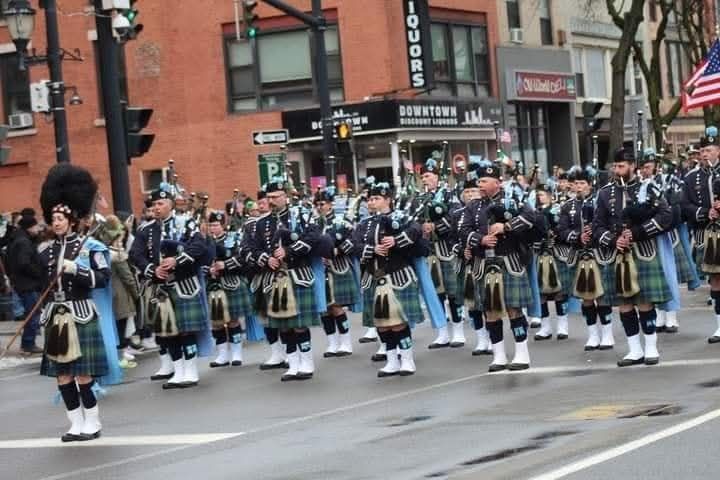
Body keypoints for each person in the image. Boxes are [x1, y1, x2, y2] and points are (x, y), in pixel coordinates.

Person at [37, 164, 110, 442]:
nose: (56, 222)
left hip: (80, 313)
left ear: (71, 219)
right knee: (62, 376)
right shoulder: (45, 250)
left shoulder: (90, 247)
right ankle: (74, 423)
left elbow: (102, 278)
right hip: (55, 316)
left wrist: (76, 270)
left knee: (82, 374)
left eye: (60, 217)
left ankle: (93, 422)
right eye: (53, 217)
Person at [594, 142, 673, 366]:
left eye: (621, 166)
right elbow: (597, 226)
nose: (617, 170)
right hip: (618, 254)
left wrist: (638, 232)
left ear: (632, 166)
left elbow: (666, 216)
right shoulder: (604, 193)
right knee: (624, 303)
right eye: (615, 166)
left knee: (645, 301)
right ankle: (634, 349)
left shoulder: (649, 188)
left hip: (643, 251)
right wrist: (613, 239)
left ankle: (650, 347)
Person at [460, 161, 543, 372]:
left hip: (509, 260)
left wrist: (506, 226)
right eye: (479, 180)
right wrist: (481, 240)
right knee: (490, 311)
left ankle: (522, 353)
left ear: (498, 182)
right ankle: (498, 355)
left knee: (514, 308)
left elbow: (531, 217)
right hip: (484, 264)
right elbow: (464, 231)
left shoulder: (513, 199)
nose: (480, 184)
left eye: (485, 181)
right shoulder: (472, 206)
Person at [129, 184, 211, 389]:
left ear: (171, 204)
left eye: (161, 203)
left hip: (185, 284)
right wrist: (151, 269)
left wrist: (177, 260)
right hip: (161, 289)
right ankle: (178, 369)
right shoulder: (146, 230)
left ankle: (190, 370)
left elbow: (200, 246)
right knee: (169, 332)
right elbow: (135, 255)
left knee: (185, 331)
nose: (157, 207)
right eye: (154, 204)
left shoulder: (186, 223)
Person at [245, 178, 322, 381]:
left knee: (299, 324)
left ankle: (306, 363)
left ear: (285, 196)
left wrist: (288, 251)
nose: (271, 201)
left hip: (297, 275)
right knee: (284, 325)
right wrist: (265, 258)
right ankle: (293, 363)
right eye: (268, 197)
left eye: (275, 197)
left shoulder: (302, 213)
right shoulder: (261, 223)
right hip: (274, 279)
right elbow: (248, 249)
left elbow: (314, 236)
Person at [353, 181, 425, 377]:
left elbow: (416, 231)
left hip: (397, 275)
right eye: (370, 199)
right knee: (382, 324)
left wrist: (396, 240)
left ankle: (407, 359)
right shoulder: (364, 224)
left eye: (376, 199)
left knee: (398, 322)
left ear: (388, 200)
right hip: (373, 278)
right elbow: (355, 245)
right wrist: (372, 250)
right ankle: (392, 361)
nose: (371, 202)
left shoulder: (401, 218)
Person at [559, 165, 615, 351]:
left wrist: (597, 232)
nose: (579, 186)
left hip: (600, 254)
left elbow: (609, 224)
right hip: (580, 256)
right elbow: (562, 231)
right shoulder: (567, 207)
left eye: (582, 183)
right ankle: (592, 334)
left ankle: (607, 333)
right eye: (576, 184)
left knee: (603, 296)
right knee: (586, 298)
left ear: (590, 185)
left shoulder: (601, 202)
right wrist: (577, 236)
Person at [413, 157, 462, 348]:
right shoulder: (418, 199)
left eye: (428, 176)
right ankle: (442, 331)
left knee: (452, 291)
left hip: (446, 248)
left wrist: (436, 226)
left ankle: (457, 330)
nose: (425, 179)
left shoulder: (449, 195)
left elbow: (456, 216)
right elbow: (413, 221)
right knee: (436, 292)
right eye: (423, 176)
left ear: (437, 177)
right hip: (429, 250)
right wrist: (420, 228)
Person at [682, 129, 720, 343]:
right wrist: (705, 212)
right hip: (706, 234)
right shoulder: (691, 178)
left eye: (709, 150)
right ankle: (719, 325)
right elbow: (684, 206)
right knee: (715, 279)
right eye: (702, 150)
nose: (705, 154)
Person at [313, 187, 359, 358]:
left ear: (330, 204)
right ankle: (332, 342)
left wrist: (336, 252)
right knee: (324, 308)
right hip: (320, 270)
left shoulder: (341, 221)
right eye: (317, 204)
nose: (319, 207)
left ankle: (346, 342)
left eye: (322, 203)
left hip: (338, 268)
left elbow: (353, 241)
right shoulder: (314, 224)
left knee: (337, 307)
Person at [206, 210, 254, 368]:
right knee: (217, 322)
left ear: (223, 225)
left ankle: (236, 353)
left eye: (216, 225)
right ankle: (222, 355)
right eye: (211, 225)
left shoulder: (233, 238)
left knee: (233, 320)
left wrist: (225, 265)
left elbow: (242, 259)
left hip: (231, 282)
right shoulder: (205, 242)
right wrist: (208, 269)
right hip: (213, 285)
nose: (213, 228)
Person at [96, 215, 140, 368]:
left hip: (109, 295)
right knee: (121, 328)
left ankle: (118, 355)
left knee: (116, 327)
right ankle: (120, 357)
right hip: (121, 295)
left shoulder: (104, 251)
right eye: (120, 238)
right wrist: (137, 295)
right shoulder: (117, 255)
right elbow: (128, 278)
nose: (121, 240)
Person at [5, 210, 44, 354]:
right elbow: (24, 263)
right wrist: (38, 273)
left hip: (21, 282)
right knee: (33, 313)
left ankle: (28, 343)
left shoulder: (17, 239)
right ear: (29, 227)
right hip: (28, 283)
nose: (38, 229)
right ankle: (28, 344)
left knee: (32, 312)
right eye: (36, 226)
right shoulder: (23, 242)